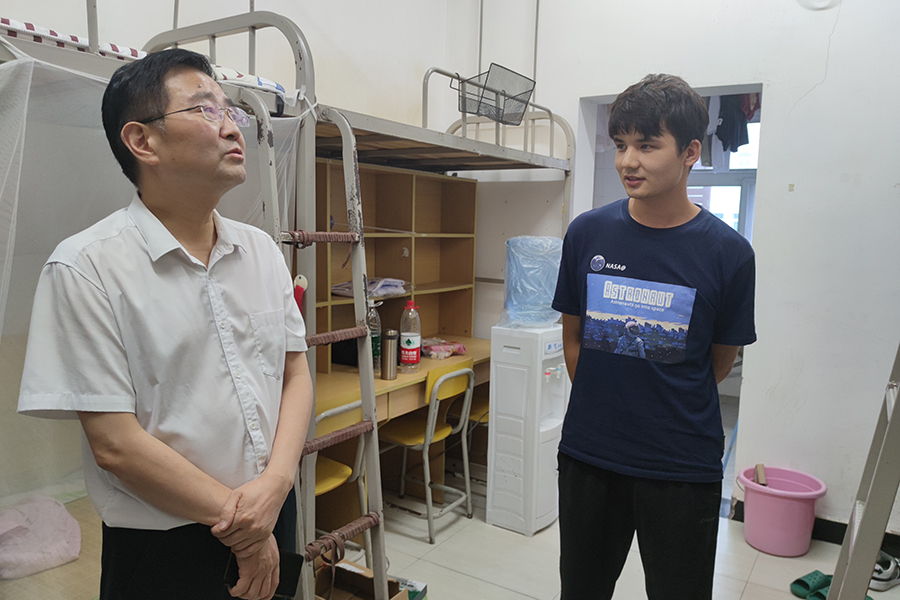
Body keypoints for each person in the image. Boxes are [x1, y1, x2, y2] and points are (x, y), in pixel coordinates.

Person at [17, 48, 313, 600]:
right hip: (163, 544)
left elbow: (294, 372)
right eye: (205, 109)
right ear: (142, 141)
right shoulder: (85, 267)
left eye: (230, 110)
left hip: (273, 506)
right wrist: (245, 530)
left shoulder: (262, 251)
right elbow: (115, 444)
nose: (233, 126)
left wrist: (276, 485)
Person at [552, 74, 756, 600]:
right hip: (591, 455)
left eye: (646, 145)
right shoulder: (588, 233)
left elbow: (719, 362)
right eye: (621, 145)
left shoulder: (729, 254)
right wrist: (607, 401)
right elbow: (573, 338)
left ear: (690, 152)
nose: (628, 161)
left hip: (681, 465)